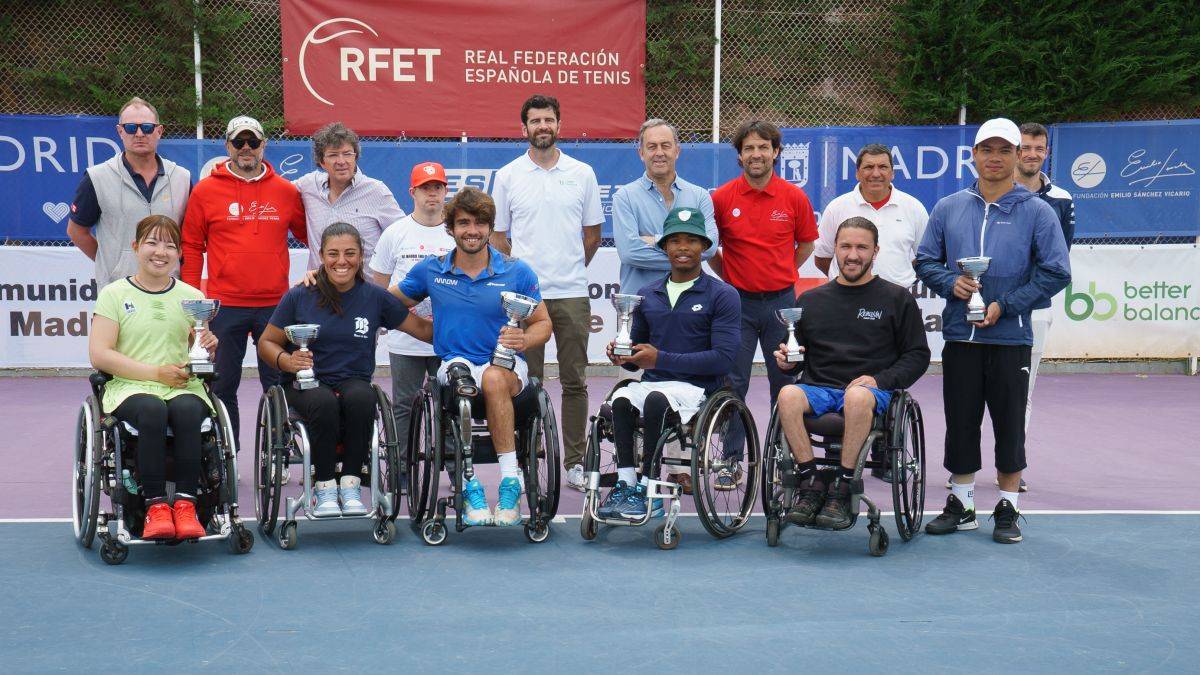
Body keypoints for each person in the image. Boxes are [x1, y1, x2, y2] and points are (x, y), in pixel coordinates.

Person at [916, 118, 1071, 544]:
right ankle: (962, 503)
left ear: (1019, 155)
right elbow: (926, 261)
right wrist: (952, 283)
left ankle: (1007, 507)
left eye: (1005, 150)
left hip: (1011, 337)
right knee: (960, 421)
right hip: (960, 337)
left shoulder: (1038, 211)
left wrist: (1007, 305)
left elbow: (1057, 271)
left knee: (1008, 424)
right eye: (988, 150)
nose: (995, 158)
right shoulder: (948, 207)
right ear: (975, 156)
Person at [395, 187, 552, 527]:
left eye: (481, 223)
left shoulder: (517, 271)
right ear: (449, 228)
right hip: (455, 365)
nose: (472, 230)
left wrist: (523, 338)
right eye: (464, 222)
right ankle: (470, 484)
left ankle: (511, 482)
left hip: (506, 369)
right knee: (460, 380)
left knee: (494, 376)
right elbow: (389, 305)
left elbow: (543, 324)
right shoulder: (430, 271)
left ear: (490, 228)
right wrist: (426, 331)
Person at [258, 223, 432, 517]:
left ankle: (351, 483)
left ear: (361, 256)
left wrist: (470, 319)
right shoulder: (301, 295)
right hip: (305, 384)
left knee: (363, 398)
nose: (342, 261)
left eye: (350, 253)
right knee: (323, 401)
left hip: (353, 380)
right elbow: (267, 342)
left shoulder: (375, 297)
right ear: (322, 256)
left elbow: (423, 331)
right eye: (333, 254)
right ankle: (324, 486)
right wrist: (287, 362)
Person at [772, 217, 930, 529]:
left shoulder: (897, 298)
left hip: (870, 393)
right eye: (846, 246)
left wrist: (879, 381)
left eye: (861, 247)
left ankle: (844, 486)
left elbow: (918, 355)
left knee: (857, 396)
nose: (853, 255)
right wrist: (787, 363)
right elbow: (798, 356)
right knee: (787, 393)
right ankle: (810, 482)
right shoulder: (811, 301)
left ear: (875, 252)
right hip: (819, 389)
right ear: (835, 250)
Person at [490, 94, 603, 492]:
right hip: (524, 298)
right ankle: (524, 461)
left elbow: (592, 236)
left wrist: (567, 270)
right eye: (535, 120)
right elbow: (498, 237)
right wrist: (525, 281)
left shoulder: (583, 173)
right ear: (524, 128)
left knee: (574, 380)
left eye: (549, 119)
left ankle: (573, 462)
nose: (542, 126)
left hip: (571, 292)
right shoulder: (507, 176)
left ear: (559, 124)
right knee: (525, 380)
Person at [599, 207, 740, 519]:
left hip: (699, 389)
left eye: (691, 240)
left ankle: (651, 489)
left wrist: (660, 358)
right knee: (620, 399)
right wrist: (623, 355)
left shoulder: (723, 295)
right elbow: (637, 358)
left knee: (654, 399)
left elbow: (723, 358)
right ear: (664, 247)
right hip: (655, 385)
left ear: (705, 248)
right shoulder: (648, 294)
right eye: (675, 240)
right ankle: (627, 484)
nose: (683, 248)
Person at [87, 215, 216, 541]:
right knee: (152, 410)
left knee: (188, 411)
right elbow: (100, 354)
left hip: (181, 386)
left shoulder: (191, 297)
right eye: (152, 243)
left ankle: (186, 505)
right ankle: (155, 506)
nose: (161, 252)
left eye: (170, 245)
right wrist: (153, 373)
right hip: (131, 387)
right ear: (136, 247)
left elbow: (196, 352)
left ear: (179, 254)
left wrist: (206, 345)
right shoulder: (114, 294)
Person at [181, 115, 307, 440]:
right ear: (228, 147)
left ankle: (278, 450)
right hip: (226, 306)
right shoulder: (206, 190)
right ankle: (228, 454)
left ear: (264, 145)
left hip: (275, 306)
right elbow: (192, 247)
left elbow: (314, 237)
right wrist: (196, 303)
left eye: (253, 142)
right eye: (239, 142)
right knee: (222, 382)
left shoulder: (286, 191)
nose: (246, 148)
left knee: (278, 381)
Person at [611, 119, 720, 493]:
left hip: (691, 302)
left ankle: (678, 469)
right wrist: (678, 250)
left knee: (677, 383)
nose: (659, 152)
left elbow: (713, 246)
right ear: (640, 152)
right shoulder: (626, 196)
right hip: (643, 304)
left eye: (665, 145)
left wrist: (657, 243)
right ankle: (636, 466)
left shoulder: (699, 195)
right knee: (639, 386)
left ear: (677, 150)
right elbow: (628, 251)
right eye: (651, 146)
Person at [709, 119, 819, 490]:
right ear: (739, 155)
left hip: (781, 306)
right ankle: (730, 460)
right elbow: (711, 249)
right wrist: (732, 279)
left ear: (775, 152)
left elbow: (805, 245)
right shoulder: (722, 198)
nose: (756, 154)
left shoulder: (794, 198)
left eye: (763, 147)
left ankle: (783, 456)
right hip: (736, 305)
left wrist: (781, 272)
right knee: (732, 382)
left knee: (785, 384)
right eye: (749, 148)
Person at [369, 162, 454, 455]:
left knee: (451, 403)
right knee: (404, 404)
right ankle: (402, 465)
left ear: (445, 192)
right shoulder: (396, 233)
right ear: (412, 193)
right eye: (425, 188)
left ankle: (454, 468)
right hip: (405, 339)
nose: (432, 194)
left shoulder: (456, 233)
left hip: (448, 338)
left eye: (437, 188)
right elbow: (379, 287)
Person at [67, 97, 191, 288]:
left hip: (170, 289)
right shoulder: (97, 177)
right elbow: (76, 231)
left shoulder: (181, 177)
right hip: (119, 291)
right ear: (120, 131)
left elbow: (191, 237)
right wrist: (113, 265)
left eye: (147, 127)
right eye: (131, 127)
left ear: (159, 131)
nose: (140, 134)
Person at [1013, 122, 1075, 491]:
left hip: (1035, 311)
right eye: (1025, 147)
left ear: (1046, 152)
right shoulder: (995, 193)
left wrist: (1024, 297)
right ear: (1015, 151)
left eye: (1039, 147)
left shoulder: (1062, 199)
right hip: (990, 309)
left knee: (1023, 391)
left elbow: (1058, 262)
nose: (1032, 153)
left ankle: (1013, 465)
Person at [813, 143, 928, 289]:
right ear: (857, 173)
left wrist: (900, 281)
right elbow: (822, 258)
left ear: (892, 173)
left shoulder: (914, 208)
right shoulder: (836, 208)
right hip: (846, 297)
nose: (875, 174)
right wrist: (848, 280)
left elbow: (925, 258)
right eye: (868, 167)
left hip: (896, 299)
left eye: (883, 167)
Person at [294, 122, 404, 270]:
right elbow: (274, 189)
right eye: (333, 155)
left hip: (365, 289)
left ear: (355, 157)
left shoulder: (376, 191)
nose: (341, 161)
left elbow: (402, 235)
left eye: (347, 154)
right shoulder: (308, 185)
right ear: (322, 162)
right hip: (320, 289)